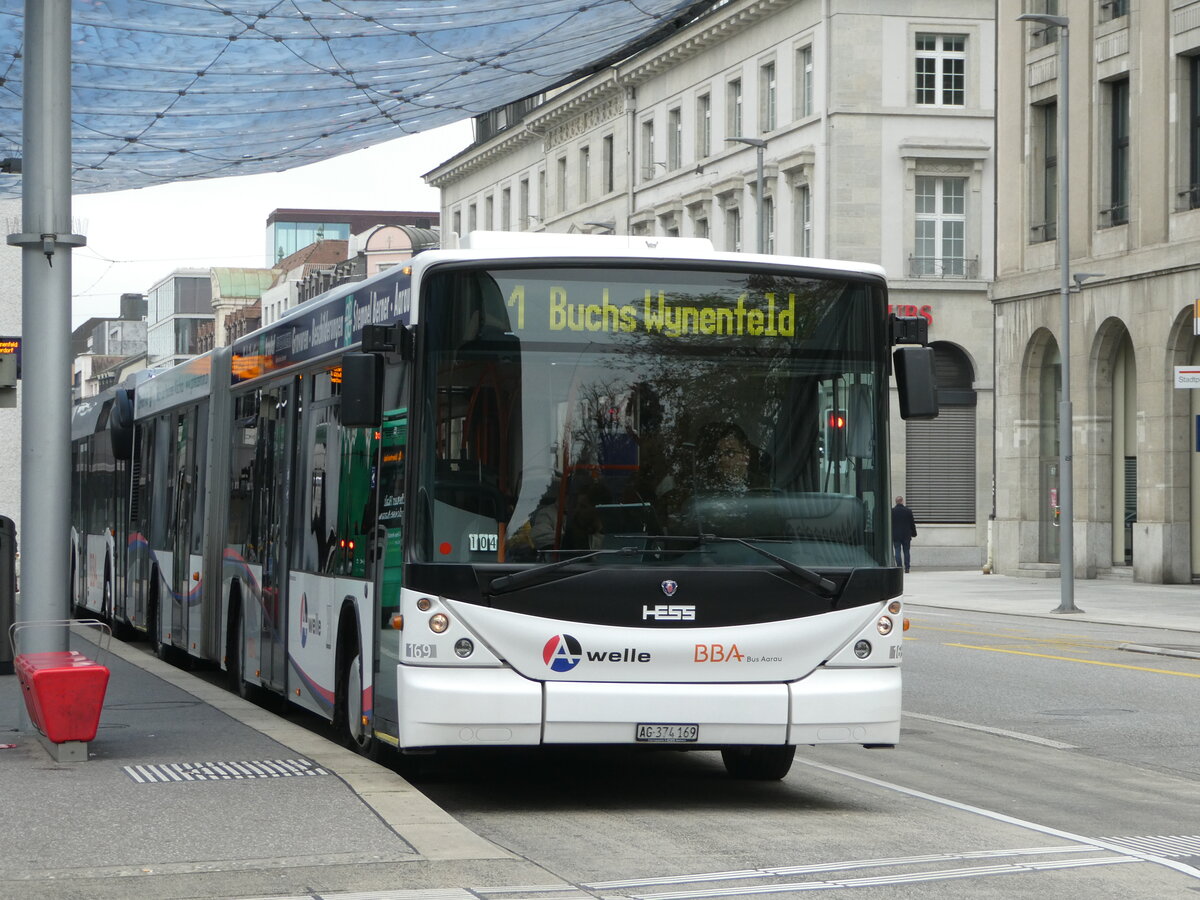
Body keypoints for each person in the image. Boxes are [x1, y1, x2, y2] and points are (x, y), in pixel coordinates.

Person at [892, 496, 917, 572]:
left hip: (896, 535)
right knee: (906, 551)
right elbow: (912, 523)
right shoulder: (908, 511)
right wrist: (914, 533)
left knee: (897, 551)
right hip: (906, 535)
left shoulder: (892, 511)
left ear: (896, 502)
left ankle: (899, 567)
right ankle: (907, 568)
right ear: (902, 501)